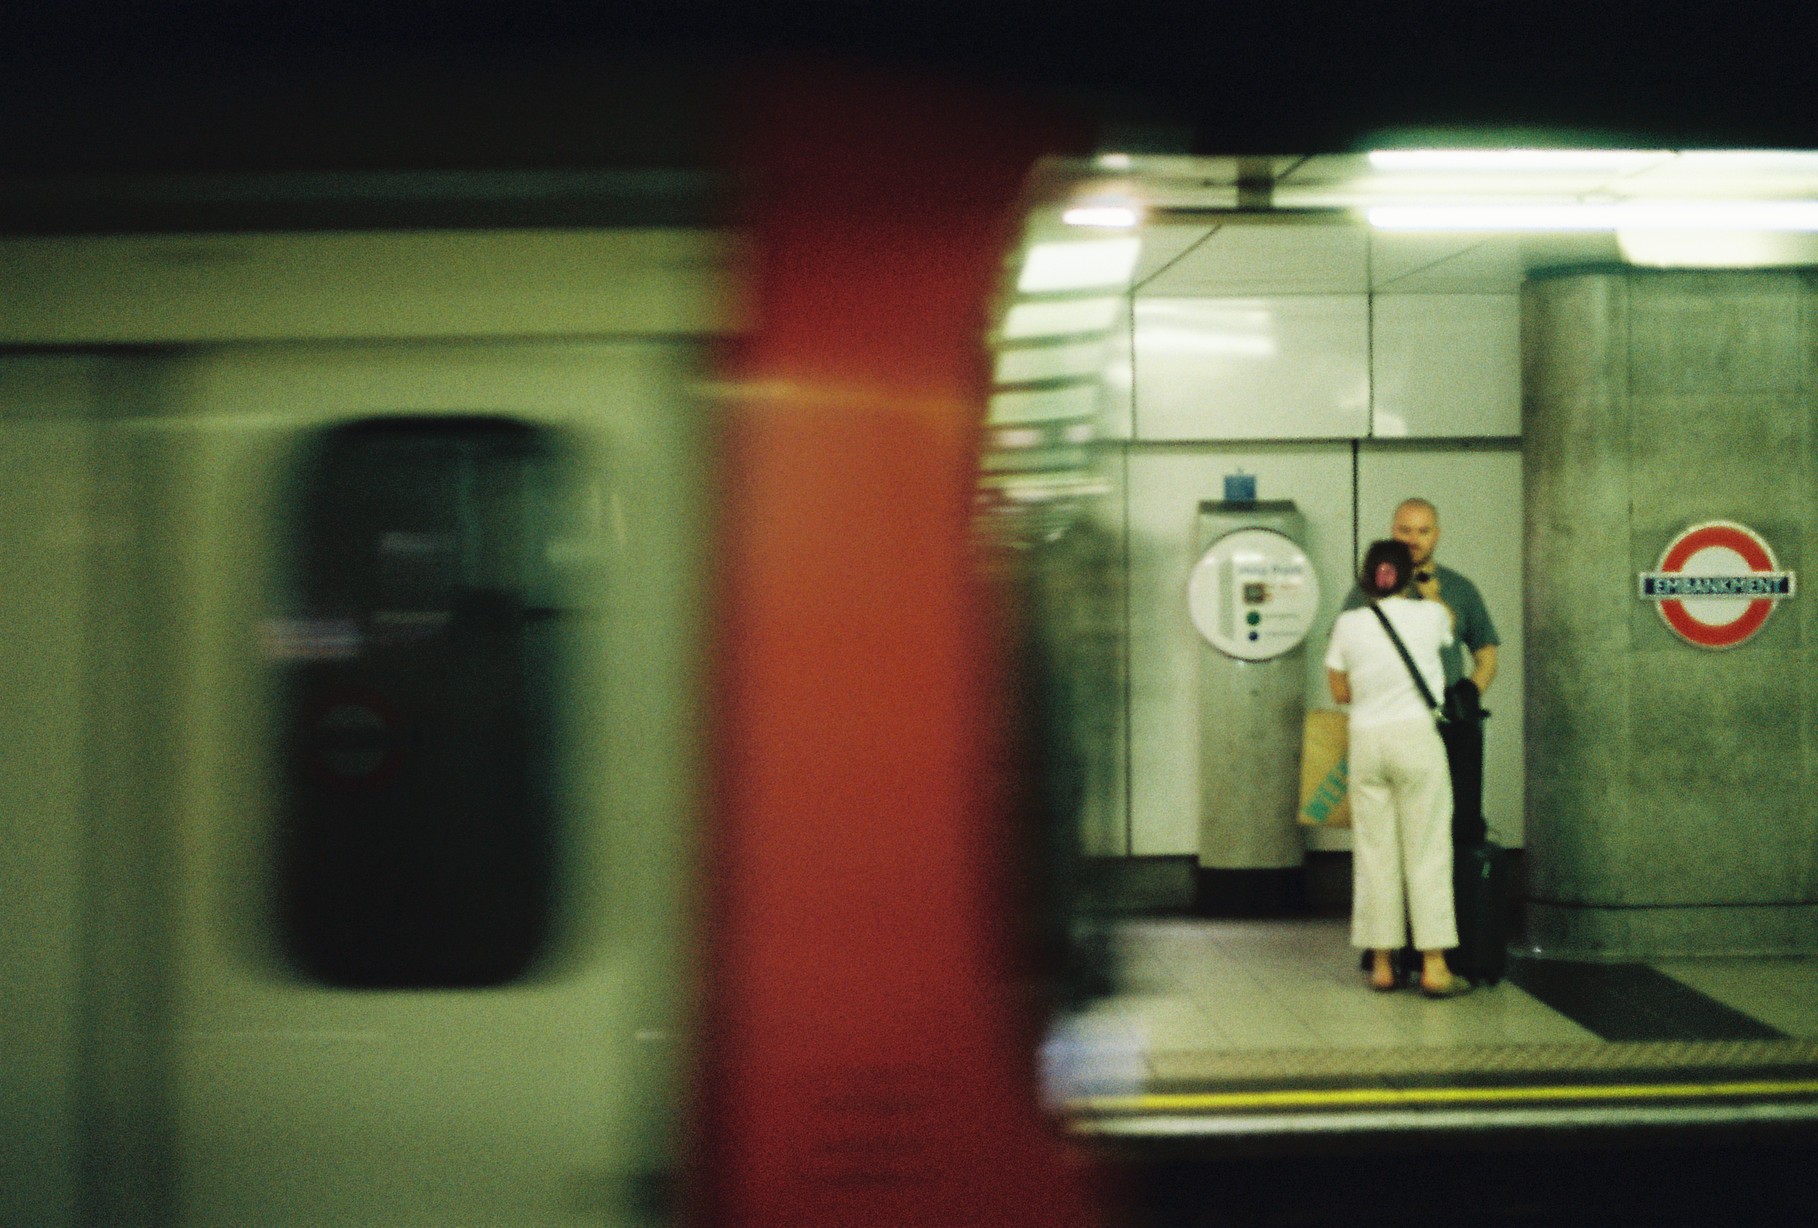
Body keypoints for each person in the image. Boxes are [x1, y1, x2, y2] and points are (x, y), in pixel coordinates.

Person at [1325, 539, 1470, 997]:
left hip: (1367, 741)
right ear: (1408, 576)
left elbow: (1340, 693)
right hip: (1415, 741)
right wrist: (1429, 589)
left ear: (1366, 577)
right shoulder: (1430, 615)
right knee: (1426, 850)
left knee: (1374, 854)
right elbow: (1450, 628)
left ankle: (1383, 965)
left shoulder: (1348, 624)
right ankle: (1433, 966)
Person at [1344, 497, 1499, 846]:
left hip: (1448, 726)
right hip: (1390, 723)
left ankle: (1459, 896)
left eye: (1423, 531)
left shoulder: (1460, 589)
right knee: (1392, 830)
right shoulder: (1366, 592)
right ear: (1392, 532)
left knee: (1455, 826)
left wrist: (1468, 696)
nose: (1413, 539)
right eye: (1405, 530)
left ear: (1437, 535)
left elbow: (1487, 657)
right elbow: (1344, 654)